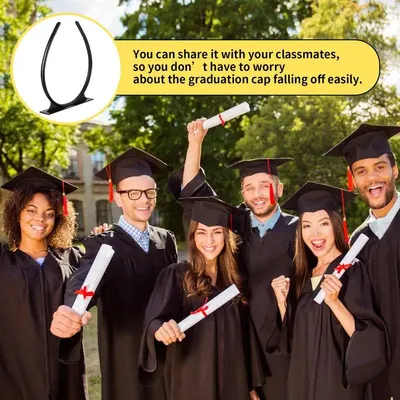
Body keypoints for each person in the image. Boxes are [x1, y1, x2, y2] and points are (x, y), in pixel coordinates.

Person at [168, 119, 297, 400]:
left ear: (281, 188)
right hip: (238, 341)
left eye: (265, 185)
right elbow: (194, 193)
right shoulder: (234, 223)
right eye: (249, 187)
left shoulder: (300, 229)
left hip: (287, 341)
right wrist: (195, 143)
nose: (257, 194)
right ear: (243, 193)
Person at [50, 147, 178, 400]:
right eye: (133, 193)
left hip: (167, 346)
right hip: (126, 351)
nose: (144, 199)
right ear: (117, 198)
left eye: (149, 192)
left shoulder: (166, 239)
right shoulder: (101, 243)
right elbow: (85, 280)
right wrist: (72, 307)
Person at [271, 181, 389, 400]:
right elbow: (293, 341)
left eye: (323, 223)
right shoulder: (302, 275)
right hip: (301, 383)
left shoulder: (352, 270)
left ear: (335, 224)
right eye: (306, 225)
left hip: (336, 386)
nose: (314, 233)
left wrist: (335, 302)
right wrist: (282, 303)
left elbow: (369, 337)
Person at [139, 196, 264, 400]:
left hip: (233, 381)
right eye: (202, 233)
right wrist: (161, 330)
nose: (209, 241)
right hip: (192, 381)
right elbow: (154, 321)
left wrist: (250, 386)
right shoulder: (177, 276)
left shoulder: (233, 283)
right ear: (193, 237)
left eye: (216, 232)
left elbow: (245, 339)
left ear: (226, 236)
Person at [325, 123, 400, 399]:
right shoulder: (357, 243)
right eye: (362, 171)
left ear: (395, 170)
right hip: (379, 373)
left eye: (380, 167)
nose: (372, 178)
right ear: (353, 180)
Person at [0, 166, 88, 400]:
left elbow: (97, 290)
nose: (40, 218)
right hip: (14, 374)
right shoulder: (3, 262)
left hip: (65, 371)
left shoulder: (72, 259)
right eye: (31, 210)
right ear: (16, 212)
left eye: (49, 213)